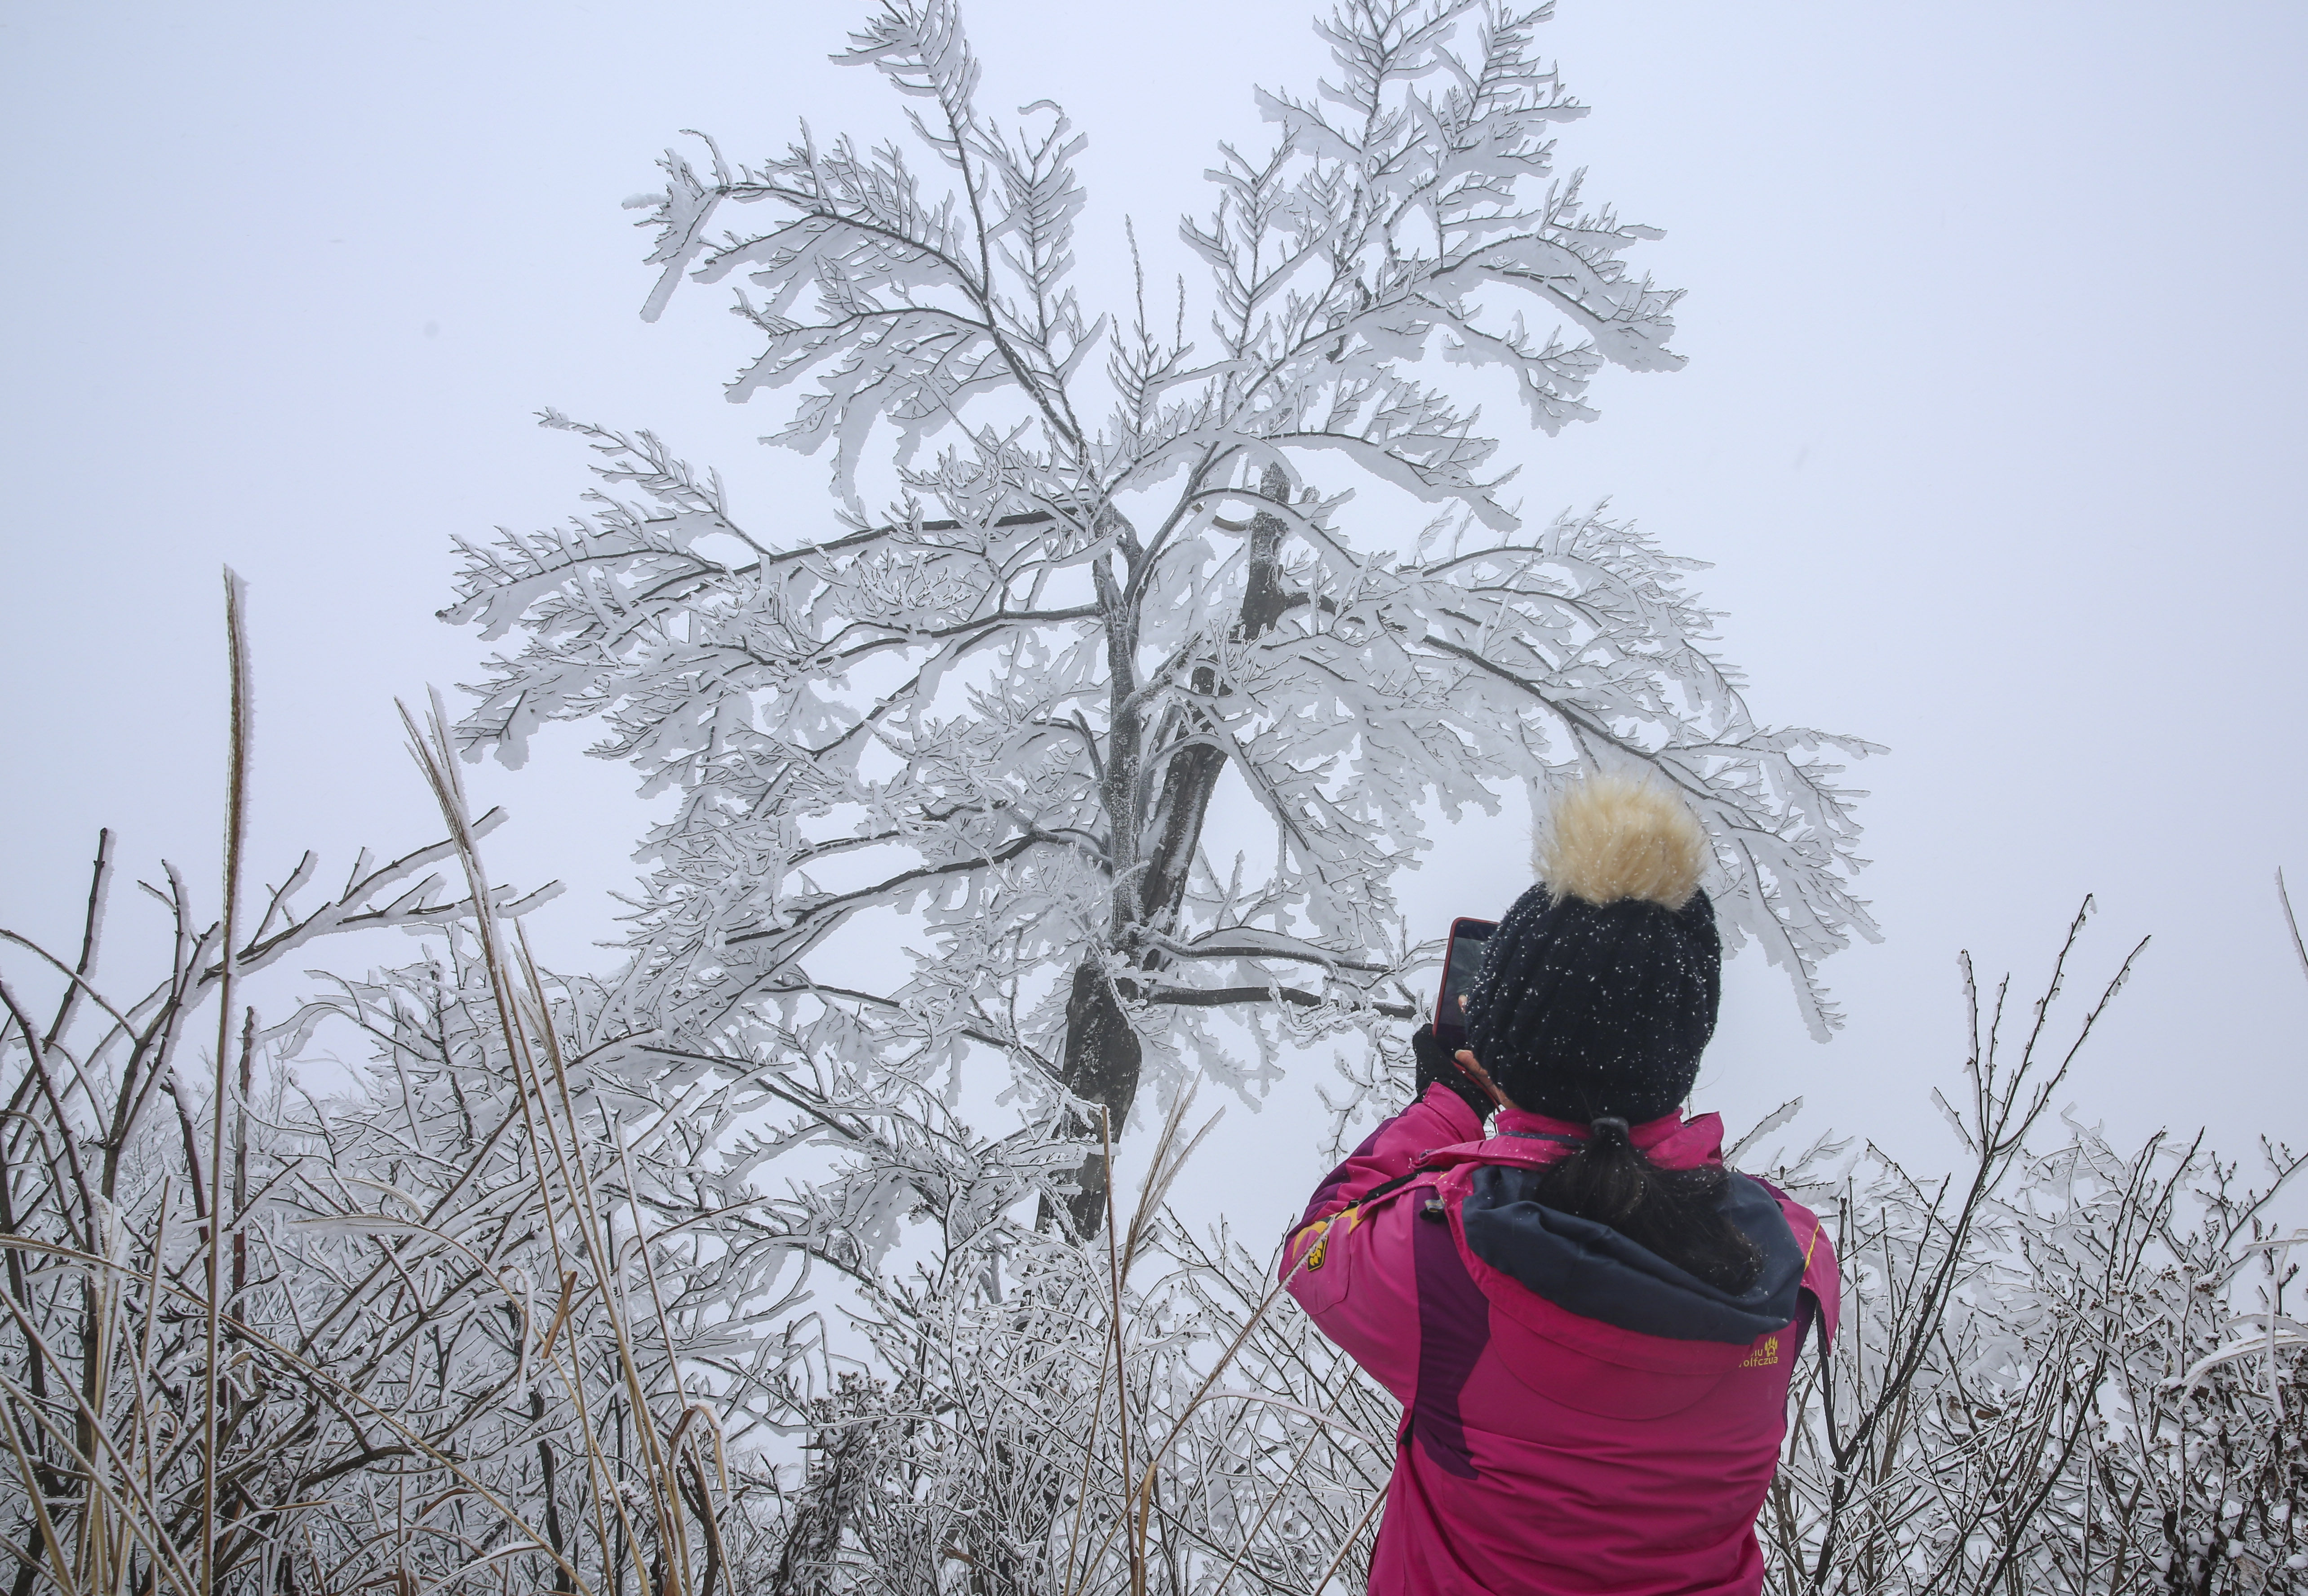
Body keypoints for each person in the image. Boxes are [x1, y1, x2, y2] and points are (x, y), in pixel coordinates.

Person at [1283, 776, 1840, 1596]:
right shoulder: (1792, 1266)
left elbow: (1316, 1248)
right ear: (1681, 1040)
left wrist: (1451, 1105)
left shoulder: (1443, 1262)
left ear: (1506, 1047)